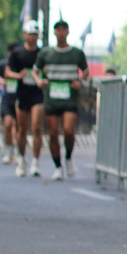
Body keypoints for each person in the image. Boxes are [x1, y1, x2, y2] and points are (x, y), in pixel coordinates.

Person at [37, 21, 90, 180]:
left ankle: (68, 158)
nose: (61, 33)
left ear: (67, 32)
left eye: (63, 30)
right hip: (51, 98)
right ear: (54, 32)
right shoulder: (46, 53)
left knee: (68, 130)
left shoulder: (77, 53)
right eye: (58, 30)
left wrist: (80, 81)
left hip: (69, 98)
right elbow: (34, 71)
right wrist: (39, 81)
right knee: (53, 133)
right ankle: (58, 167)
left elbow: (86, 71)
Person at [4, 22, 46, 176]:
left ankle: (35, 162)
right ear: (24, 34)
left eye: (35, 34)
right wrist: (18, 75)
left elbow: (47, 69)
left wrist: (43, 78)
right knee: (21, 129)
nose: (32, 37)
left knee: (36, 127)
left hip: (37, 94)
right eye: (30, 34)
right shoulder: (17, 53)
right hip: (22, 94)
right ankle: (21, 159)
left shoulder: (42, 54)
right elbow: (7, 72)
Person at [0, 62, 17, 163]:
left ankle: (17, 151)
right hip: (7, 99)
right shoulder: (4, 64)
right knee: (7, 124)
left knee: (16, 126)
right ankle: (8, 149)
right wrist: (2, 82)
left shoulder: (21, 63)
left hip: (19, 98)